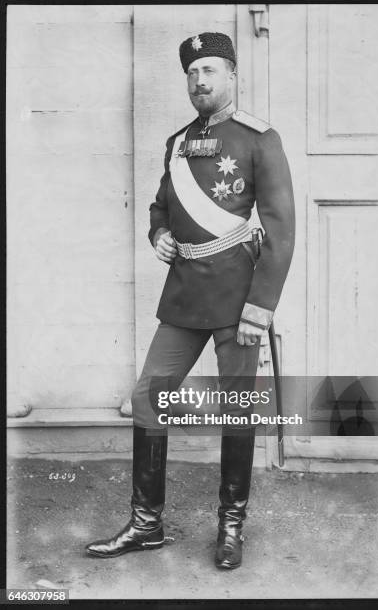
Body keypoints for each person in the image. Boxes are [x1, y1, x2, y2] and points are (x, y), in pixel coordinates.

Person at [86, 31, 295, 570]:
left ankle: (231, 525)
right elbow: (160, 206)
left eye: (210, 71)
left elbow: (281, 229)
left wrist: (260, 306)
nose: (200, 81)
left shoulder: (259, 138)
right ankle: (146, 524)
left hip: (238, 299)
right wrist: (157, 234)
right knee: (148, 397)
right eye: (192, 73)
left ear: (231, 75)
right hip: (183, 295)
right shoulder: (177, 142)